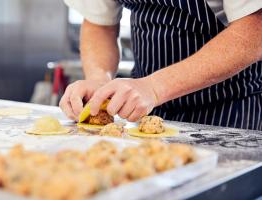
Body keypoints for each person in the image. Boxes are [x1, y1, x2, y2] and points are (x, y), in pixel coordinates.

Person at [60, 0, 262, 130]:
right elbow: (99, 22)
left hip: (230, 108)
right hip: (147, 111)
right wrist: (99, 81)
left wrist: (155, 87)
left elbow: (255, 28)